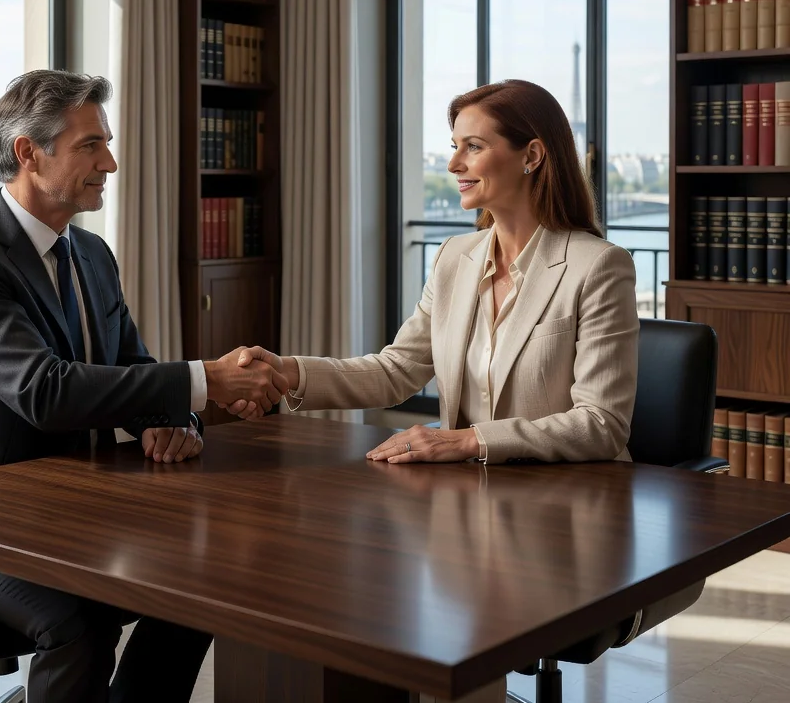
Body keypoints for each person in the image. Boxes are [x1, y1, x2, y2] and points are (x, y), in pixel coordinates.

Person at [0, 69, 287, 703]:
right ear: (28, 152)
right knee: (78, 619)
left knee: (204, 587)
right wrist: (206, 380)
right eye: (90, 146)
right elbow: (43, 391)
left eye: (106, 143)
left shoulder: (93, 255)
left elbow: (130, 364)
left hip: (72, 504)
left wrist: (169, 421)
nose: (110, 161)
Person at [228, 78, 639, 466]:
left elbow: (601, 423)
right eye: (455, 146)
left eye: (473, 147)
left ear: (531, 155)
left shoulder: (599, 266)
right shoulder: (452, 258)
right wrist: (289, 372)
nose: (453, 163)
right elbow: (396, 371)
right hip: (468, 497)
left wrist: (465, 440)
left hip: (574, 503)